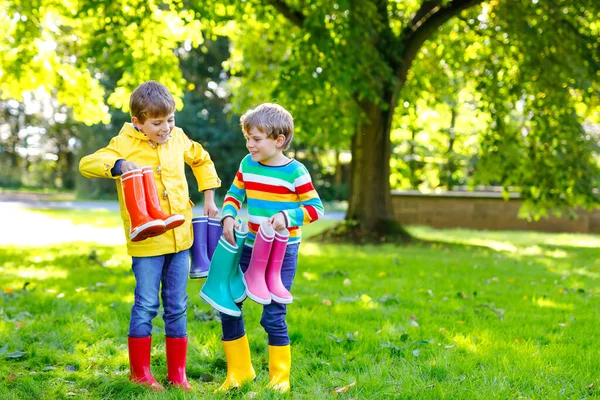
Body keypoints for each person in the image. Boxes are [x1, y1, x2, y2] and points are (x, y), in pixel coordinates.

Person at [79, 81, 221, 391]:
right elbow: (87, 163)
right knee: (145, 304)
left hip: (181, 240)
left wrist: (209, 197)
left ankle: (178, 374)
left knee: (178, 305)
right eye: (158, 123)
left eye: (170, 120)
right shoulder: (123, 143)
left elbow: (202, 159)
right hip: (146, 244)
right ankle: (139, 374)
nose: (166, 127)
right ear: (138, 123)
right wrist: (118, 165)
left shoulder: (179, 138)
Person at [216, 103, 324, 392]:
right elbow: (234, 194)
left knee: (273, 313)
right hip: (249, 247)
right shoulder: (246, 164)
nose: (250, 145)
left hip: (281, 252)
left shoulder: (295, 172)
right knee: (229, 303)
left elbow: (316, 208)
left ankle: (280, 379)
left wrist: (287, 217)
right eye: (247, 138)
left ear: (279, 140)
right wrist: (228, 213)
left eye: (256, 139)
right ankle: (239, 372)